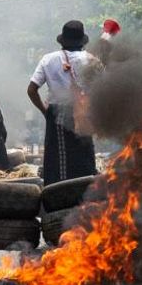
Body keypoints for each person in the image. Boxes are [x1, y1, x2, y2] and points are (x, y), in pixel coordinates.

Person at [27, 20, 98, 186]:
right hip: (84, 114)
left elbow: (31, 90)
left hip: (57, 114)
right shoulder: (92, 61)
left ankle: (58, 199)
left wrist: (45, 111)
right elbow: (101, 91)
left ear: (63, 40)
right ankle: (86, 197)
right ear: (82, 41)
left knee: (59, 162)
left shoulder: (48, 59)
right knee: (85, 155)